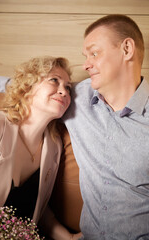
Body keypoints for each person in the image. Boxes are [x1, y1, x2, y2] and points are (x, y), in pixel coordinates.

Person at [64, 14, 149, 239]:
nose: (86, 64)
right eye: (86, 56)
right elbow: (25, 85)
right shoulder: (72, 97)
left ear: (127, 49)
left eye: (94, 53)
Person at [0, 56, 82, 240]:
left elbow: (38, 206)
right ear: (28, 86)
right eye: (54, 80)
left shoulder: (54, 147)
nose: (63, 91)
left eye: (68, 88)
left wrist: (69, 238)